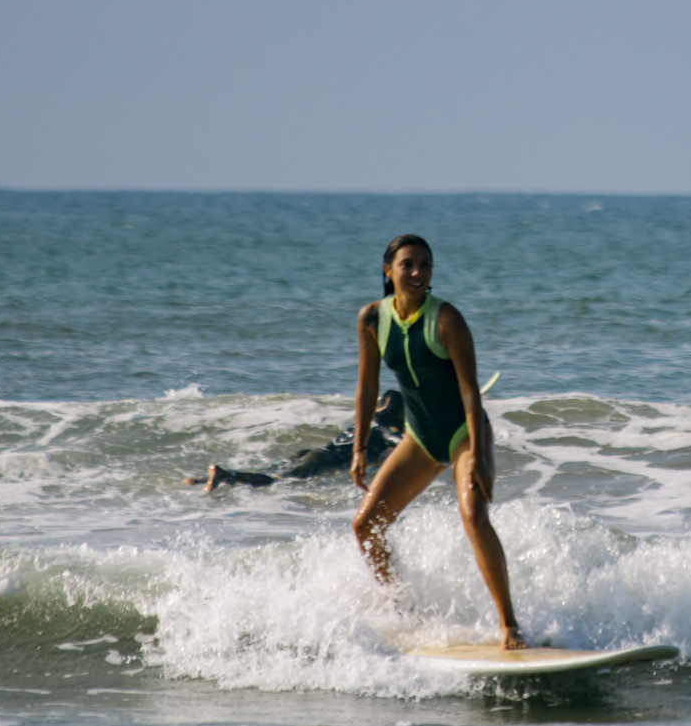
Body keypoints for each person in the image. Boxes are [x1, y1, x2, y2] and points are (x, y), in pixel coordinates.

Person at [351, 234, 524, 649]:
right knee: (365, 526)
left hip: (464, 434)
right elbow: (367, 386)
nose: (417, 273)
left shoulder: (446, 320)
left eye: (425, 265)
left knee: (473, 515)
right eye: (408, 264)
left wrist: (479, 456)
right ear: (387, 270)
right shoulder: (372, 319)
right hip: (422, 437)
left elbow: (470, 392)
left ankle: (509, 627)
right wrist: (359, 447)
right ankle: (404, 612)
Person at [187, 392, 407, 490]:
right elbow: (402, 442)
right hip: (320, 460)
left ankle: (201, 480)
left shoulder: (364, 423)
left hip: (311, 452)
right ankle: (226, 475)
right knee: (275, 482)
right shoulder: (385, 427)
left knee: (268, 472)